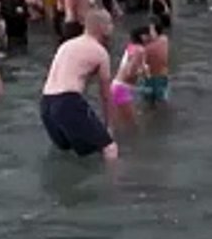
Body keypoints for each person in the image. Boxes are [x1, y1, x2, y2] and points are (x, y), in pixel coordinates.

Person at [40, 9, 118, 160]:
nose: (113, 27)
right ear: (102, 27)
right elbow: (106, 95)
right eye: (110, 23)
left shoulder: (67, 45)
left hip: (46, 104)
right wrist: (109, 128)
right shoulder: (100, 52)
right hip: (67, 102)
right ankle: (116, 183)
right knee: (109, 148)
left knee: (70, 154)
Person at [109, 26, 148, 127]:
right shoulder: (140, 50)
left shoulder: (131, 47)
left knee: (119, 124)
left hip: (115, 85)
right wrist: (143, 71)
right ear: (142, 36)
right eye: (148, 34)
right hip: (122, 88)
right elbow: (130, 72)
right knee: (133, 126)